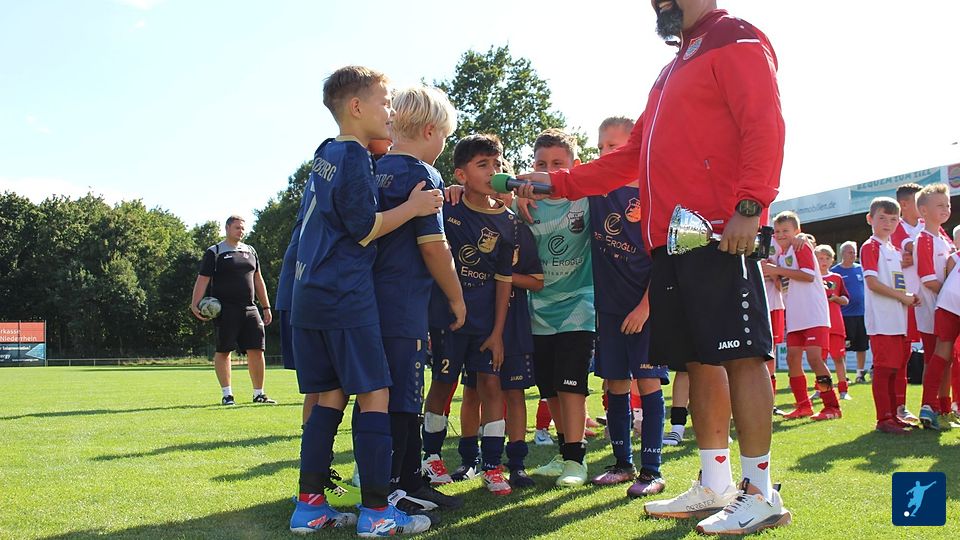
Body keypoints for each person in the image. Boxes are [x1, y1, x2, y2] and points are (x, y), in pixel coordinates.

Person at [517, 1, 789, 534]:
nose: (659, 3)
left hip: (719, 230)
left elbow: (763, 122)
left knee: (743, 356)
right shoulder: (669, 70)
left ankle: (761, 492)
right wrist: (560, 183)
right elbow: (631, 158)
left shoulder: (734, 36)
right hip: (669, 241)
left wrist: (750, 204)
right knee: (699, 362)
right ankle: (715, 483)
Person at [287, 65, 442, 535]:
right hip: (344, 294)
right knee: (375, 393)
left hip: (308, 295)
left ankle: (309, 506)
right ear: (356, 107)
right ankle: (377, 513)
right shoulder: (354, 156)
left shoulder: (326, 151)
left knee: (329, 395)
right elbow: (365, 228)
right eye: (385, 102)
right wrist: (413, 208)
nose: (391, 111)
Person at [371, 85, 466, 518]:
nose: (443, 144)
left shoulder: (374, 168)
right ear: (430, 131)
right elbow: (434, 246)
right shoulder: (424, 176)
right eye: (444, 135)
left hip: (369, 301)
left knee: (388, 395)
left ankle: (410, 479)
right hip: (403, 303)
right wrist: (456, 297)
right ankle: (394, 487)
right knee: (404, 397)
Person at [420, 134, 515, 496]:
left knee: (491, 386)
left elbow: (504, 282)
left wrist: (498, 332)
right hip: (447, 319)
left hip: (486, 325)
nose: (493, 171)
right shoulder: (447, 209)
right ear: (461, 174)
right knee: (443, 384)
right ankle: (431, 456)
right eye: (483, 165)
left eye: (497, 164)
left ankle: (492, 465)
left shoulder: (508, 222)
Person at [582, 116, 668, 498]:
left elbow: (666, 260)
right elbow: (555, 188)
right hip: (609, 310)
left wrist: (645, 308)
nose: (605, 154)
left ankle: (652, 471)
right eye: (600, 147)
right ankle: (622, 464)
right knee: (614, 383)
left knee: (648, 383)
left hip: (646, 311)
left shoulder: (656, 193)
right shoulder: (596, 191)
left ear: (636, 147)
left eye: (613, 147)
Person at [523, 129, 597, 489]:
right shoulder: (523, 202)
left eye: (557, 164)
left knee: (571, 384)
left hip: (579, 306)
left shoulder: (587, 199)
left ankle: (576, 460)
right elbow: (487, 193)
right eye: (541, 164)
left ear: (574, 166)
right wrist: (457, 191)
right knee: (549, 387)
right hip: (538, 309)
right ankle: (564, 451)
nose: (548, 171)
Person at [190, 215, 275, 406]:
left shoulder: (250, 251)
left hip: (250, 308)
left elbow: (258, 279)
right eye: (237, 228)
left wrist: (266, 306)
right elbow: (202, 279)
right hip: (226, 309)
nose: (241, 231)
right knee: (224, 350)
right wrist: (195, 304)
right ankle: (227, 395)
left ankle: (259, 394)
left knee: (257, 349)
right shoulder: (215, 252)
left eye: (243, 228)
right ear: (227, 228)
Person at [764, 212, 841, 420]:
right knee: (792, 359)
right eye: (777, 231)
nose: (781, 235)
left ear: (797, 231)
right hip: (795, 316)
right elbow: (782, 286)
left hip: (813, 313)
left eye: (786, 230)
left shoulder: (801, 246)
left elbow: (808, 275)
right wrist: (773, 273)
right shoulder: (781, 256)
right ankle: (803, 406)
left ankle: (832, 406)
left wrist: (776, 269)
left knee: (814, 358)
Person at [861, 197, 918, 435]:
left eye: (893, 219)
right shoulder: (870, 247)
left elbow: (895, 283)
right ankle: (883, 418)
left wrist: (908, 296)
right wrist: (902, 297)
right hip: (882, 320)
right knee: (885, 369)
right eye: (882, 218)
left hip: (898, 319)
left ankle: (895, 415)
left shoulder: (893, 250)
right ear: (870, 219)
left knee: (896, 369)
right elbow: (872, 283)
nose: (888, 223)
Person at [912, 184, 957, 430]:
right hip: (933, 308)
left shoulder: (944, 239)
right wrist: (951, 296)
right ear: (923, 211)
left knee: (946, 357)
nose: (946, 209)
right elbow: (928, 279)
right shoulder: (924, 239)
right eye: (940, 205)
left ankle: (943, 405)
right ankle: (928, 406)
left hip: (947, 307)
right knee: (934, 357)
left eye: (947, 204)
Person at [891, 183, 924, 424]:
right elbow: (914, 250)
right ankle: (898, 407)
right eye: (919, 201)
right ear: (904, 204)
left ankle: (941, 405)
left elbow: (946, 249)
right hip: (905, 300)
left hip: (931, 298)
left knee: (942, 354)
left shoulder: (926, 226)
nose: (924, 206)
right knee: (901, 356)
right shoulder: (896, 227)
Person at [815, 245, 851, 400]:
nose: (824, 261)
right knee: (819, 359)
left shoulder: (836, 278)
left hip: (835, 324)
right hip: (818, 324)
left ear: (832, 260)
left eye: (827, 258)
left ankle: (843, 390)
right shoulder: (811, 277)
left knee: (838, 358)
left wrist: (836, 298)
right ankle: (821, 390)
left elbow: (846, 299)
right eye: (820, 258)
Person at [831, 241, 870, 383]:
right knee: (843, 347)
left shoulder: (861, 269)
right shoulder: (835, 271)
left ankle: (860, 374)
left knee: (862, 346)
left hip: (861, 314)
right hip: (844, 315)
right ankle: (844, 375)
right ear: (842, 254)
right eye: (850, 252)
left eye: (854, 252)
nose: (853, 255)